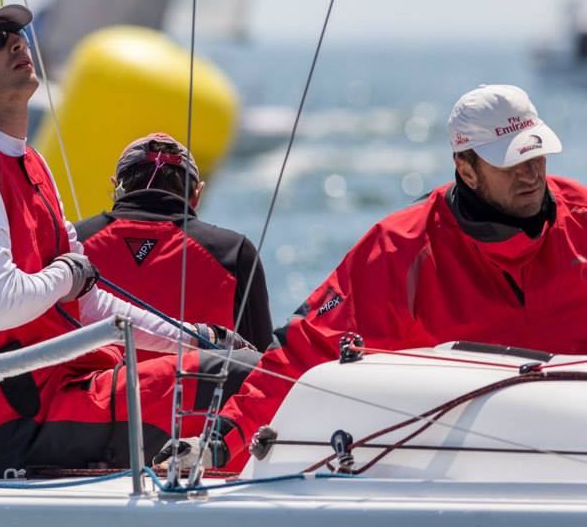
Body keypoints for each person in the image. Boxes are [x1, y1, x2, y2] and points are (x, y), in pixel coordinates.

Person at [169, 83, 587, 470]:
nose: (530, 174)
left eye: (536, 155)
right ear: (467, 168)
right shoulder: (402, 248)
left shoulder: (581, 217)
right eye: (510, 162)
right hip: (460, 466)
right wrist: (220, 438)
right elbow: (305, 349)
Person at [0, 5, 261, 478]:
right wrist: (67, 274)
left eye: (16, 32)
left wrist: (194, 336)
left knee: (237, 360)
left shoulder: (32, 165)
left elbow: (89, 300)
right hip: (14, 422)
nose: (16, 42)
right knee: (234, 376)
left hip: (63, 393)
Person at [75, 132, 273, 352]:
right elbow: (263, 357)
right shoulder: (235, 252)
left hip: (98, 375)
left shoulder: (72, 241)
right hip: (197, 376)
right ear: (197, 194)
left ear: (116, 188)